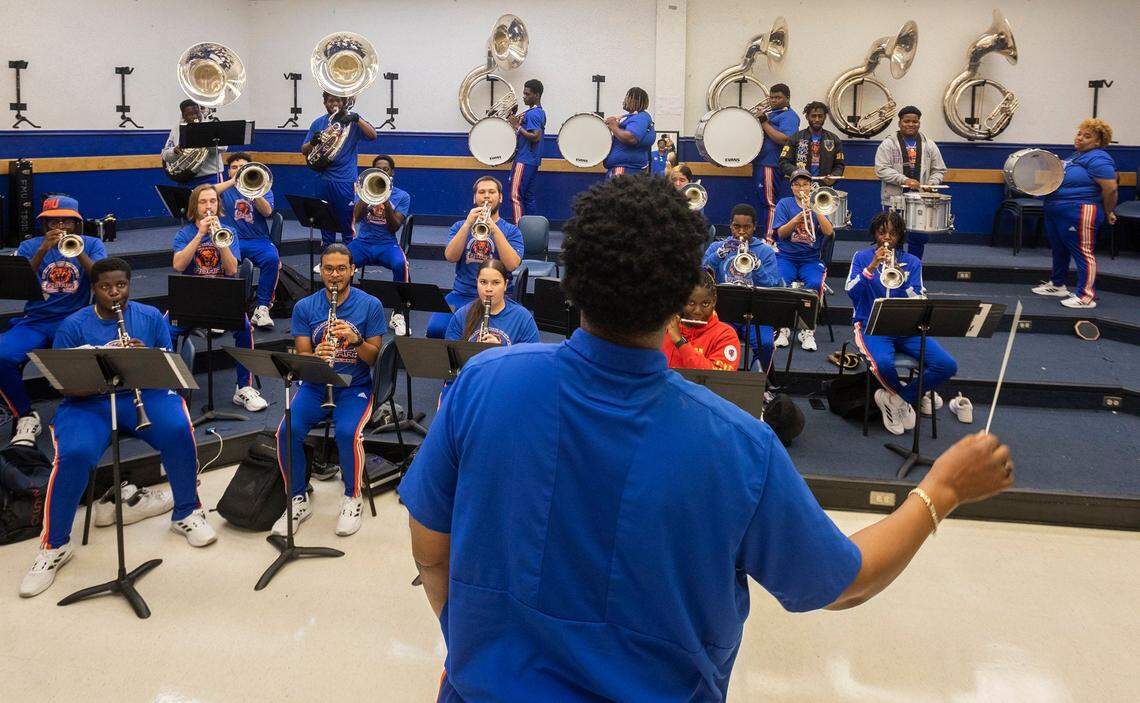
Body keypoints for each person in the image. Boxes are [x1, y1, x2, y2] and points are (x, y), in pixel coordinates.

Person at [398, 174, 1014, 702]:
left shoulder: (481, 382)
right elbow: (844, 582)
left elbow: (429, 546)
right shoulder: (740, 445)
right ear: (680, 299)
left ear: (569, 282)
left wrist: (474, 648)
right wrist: (941, 491)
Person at [19, 258, 216, 598]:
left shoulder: (150, 318)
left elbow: (168, 371)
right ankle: (55, 546)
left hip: (142, 394)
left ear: (129, 285)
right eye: (106, 287)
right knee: (75, 455)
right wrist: (100, 375)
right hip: (89, 402)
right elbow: (64, 387)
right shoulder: (72, 325)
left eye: (121, 286)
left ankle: (187, 512)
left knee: (177, 430)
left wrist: (142, 360)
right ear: (93, 289)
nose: (115, 293)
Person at [274, 244, 385, 538]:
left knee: (348, 433)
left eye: (340, 269)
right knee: (286, 431)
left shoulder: (370, 305)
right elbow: (301, 358)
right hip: (314, 385)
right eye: (328, 269)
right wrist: (317, 356)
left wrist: (357, 341)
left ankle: (352, 496)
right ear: (321, 271)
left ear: (352, 271)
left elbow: (375, 358)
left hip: (353, 387)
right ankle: (297, 498)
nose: (334, 275)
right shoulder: (305, 307)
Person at [0, 196, 106, 446]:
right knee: (2, 356)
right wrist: (42, 250)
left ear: (75, 222)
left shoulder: (91, 244)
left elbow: (101, 279)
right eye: (52, 220)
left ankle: (86, 415)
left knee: (87, 360)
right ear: (44, 224)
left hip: (75, 320)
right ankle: (25, 415)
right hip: (36, 320)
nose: (60, 225)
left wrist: (78, 252)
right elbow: (19, 283)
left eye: (65, 220)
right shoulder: (30, 246)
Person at [847, 210, 958, 435]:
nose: (887, 238)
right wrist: (870, 269)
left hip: (907, 328)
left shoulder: (912, 262)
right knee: (884, 364)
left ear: (900, 236)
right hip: (872, 326)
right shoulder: (861, 257)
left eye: (893, 234)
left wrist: (903, 279)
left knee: (947, 365)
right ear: (874, 234)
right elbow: (851, 292)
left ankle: (896, 401)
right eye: (882, 232)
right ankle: (905, 398)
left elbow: (920, 298)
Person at [169, 184, 267, 412]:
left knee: (244, 328)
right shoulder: (184, 234)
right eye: (203, 202)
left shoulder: (229, 231)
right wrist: (201, 235)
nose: (208, 206)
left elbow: (233, 270)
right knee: (166, 329)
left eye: (212, 201)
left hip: (222, 296)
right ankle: (171, 387)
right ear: (195, 206)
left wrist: (219, 240)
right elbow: (178, 265)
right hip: (191, 296)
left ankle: (243, 388)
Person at [1031, 118, 1117, 309]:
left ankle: (1085, 296)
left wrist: (1109, 211)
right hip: (1056, 209)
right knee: (1059, 248)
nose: (1080, 138)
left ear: (1098, 142)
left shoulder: (1099, 158)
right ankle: (1057, 284)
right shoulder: (1075, 157)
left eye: (1087, 136)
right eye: (1079, 133)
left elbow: (1110, 188)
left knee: (1083, 253)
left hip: (1080, 210)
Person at [426, 177, 525, 339]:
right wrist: (467, 225)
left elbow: (512, 265)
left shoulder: (512, 231)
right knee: (435, 330)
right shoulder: (459, 226)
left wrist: (495, 230)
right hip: (462, 294)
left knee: (487, 336)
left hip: (497, 297)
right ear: (474, 198)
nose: (486, 196)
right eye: (481, 192)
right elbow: (450, 257)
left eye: (492, 192)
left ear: (500, 197)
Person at [702, 203, 781, 375]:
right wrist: (717, 257)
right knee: (714, 340)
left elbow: (773, 286)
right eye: (736, 226)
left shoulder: (766, 252)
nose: (741, 232)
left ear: (754, 227)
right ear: (731, 225)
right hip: (723, 311)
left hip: (755, 313)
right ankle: (718, 378)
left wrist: (757, 267)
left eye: (747, 227)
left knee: (766, 344)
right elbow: (700, 276)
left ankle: (758, 383)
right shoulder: (717, 248)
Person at [301, 91, 378, 247]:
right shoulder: (318, 123)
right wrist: (313, 142)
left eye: (337, 100)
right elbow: (303, 150)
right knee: (325, 226)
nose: (334, 104)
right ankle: (327, 262)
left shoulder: (353, 121)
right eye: (330, 101)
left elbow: (373, 136)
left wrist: (357, 119)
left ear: (344, 102)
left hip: (345, 181)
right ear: (325, 103)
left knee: (347, 226)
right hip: (323, 180)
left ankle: (349, 264)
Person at [771, 169, 835, 352]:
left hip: (811, 258)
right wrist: (797, 218)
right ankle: (783, 328)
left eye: (805, 184)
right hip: (787, 256)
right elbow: (781, 234)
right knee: (781, 282)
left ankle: (807, 330)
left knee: (814, 283)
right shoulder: (784, 204)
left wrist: (815, 209)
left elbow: (829, 232)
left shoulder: (818, 203)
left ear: (810, 186)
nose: (801, 188)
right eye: (797, 184)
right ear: (792, 187)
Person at [215, 152, 279, 329]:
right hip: (230, 239)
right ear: (228, 171)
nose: (237, 170)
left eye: (242, 167)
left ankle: (262, 308)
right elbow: (204, 194)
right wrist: (232, 182)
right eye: (234, 167)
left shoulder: (263, 186)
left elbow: (267, 212)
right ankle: (224, 310)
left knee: (272, 259)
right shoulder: (224, 189)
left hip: (258, 239)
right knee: (218, 260)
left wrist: (255, 190)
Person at [874, 106, 947, 260]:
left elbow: (939, 169)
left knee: (918, 239)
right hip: (894, 200)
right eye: (907, 121)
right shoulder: (888, 144)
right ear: (899, 123)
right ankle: (890, 272)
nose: (911, 124)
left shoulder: (929, 145)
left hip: (921, 200)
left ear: (919, 123)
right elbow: (881, 169)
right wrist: (904, 180)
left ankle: (914, 270)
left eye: (915, 121)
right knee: (892, 237)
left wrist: (932, 183)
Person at [349, 154, 413, 292]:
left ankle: (399, 306)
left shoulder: (402, 196)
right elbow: (356, 217)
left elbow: (394, 227)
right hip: (363, 243)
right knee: (343, 261)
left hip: (387, 244)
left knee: (400, 264)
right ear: (373, 171)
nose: (383, 172)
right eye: (379, 169)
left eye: (386, 169)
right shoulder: (363, 190)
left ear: (392, 172)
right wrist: (367, 194)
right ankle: (345, 299)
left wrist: (385, 200)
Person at [444, 260, 540, 346]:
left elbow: (532, 360)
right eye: (483, 282)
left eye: (496, 283)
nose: (488, 289)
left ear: (505, 285)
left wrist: (500, 351)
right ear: (476, 283)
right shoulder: (462, 314)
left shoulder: (522, 318)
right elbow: (450, 357)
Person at [660, 270, 741, 371]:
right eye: (691, 303)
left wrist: (680, 342)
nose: (697, 311)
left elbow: (717, 379)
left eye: (705, 304)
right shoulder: (663, 328)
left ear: (714, 300)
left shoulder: (726, 335)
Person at [750, 83, 800, 234]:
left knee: (770, 203)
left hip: (770, 164)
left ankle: (771, 239)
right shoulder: (772, 113)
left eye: (778, 98)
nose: (774, 101)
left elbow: (785, 139)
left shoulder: (789, 116)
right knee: (766, 202)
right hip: (762, 163)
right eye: (771, 97)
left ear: (788, 98)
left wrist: (764, 122)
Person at [507, 79, 546, 224]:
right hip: (531, 160)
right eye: (524, 93)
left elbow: (535, 136)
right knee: (528, 196)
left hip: (524, 160)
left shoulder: (534, 114)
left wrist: (517, 126)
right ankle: (533, 229)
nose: (524, 96)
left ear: (537, 95)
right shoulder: (535, 112)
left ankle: (519, 229)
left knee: (515, 195)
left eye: (527, 94)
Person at [161, 99, 225, 187]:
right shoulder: (176, 129)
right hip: (186, 178)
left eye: (197, 113)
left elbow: (223, 148)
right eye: (190, 114)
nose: (195, 117)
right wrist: (174, 151)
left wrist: (205, 140)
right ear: (183, 116)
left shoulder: (211, 124)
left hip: (210, 177)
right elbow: (165, 154)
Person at [779, 101, 846, 184]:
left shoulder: (834, 139)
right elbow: (784, 162)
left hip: (825, 187)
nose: (817, 119)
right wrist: (799, 173)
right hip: (801, 185)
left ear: (825, 117)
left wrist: (833, 176)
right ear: (807, 117)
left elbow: (839, 165)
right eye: (813, 116)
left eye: (820, 116)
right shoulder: (795, 138)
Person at [603, 87, 655, 178]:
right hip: (626, 169)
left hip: (624, 170)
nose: (624, 101)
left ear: (635, 101)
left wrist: (614, 126)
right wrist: (617, 127)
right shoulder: (636, 117)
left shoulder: (640, 117)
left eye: (627, 98)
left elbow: (631, 138)